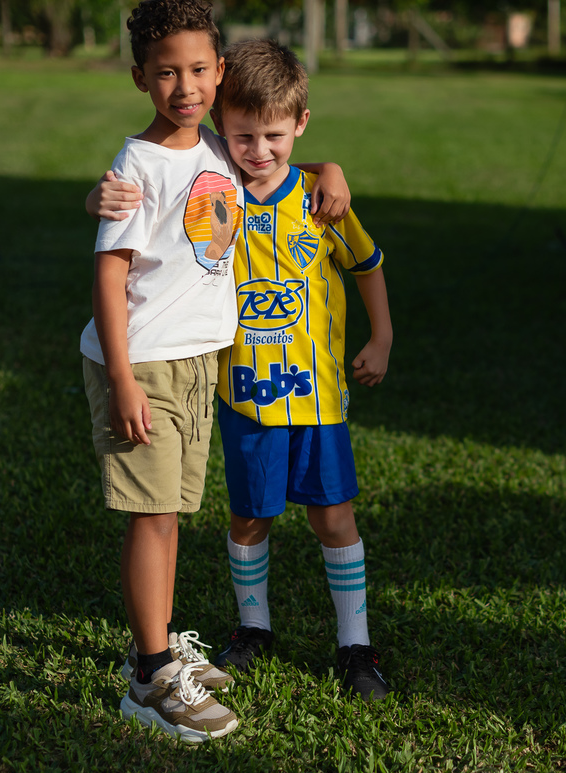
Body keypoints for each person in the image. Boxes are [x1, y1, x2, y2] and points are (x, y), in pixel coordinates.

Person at [93, 38, 394, 701]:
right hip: (242, 395)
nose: (259, 150)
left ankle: (356, 644)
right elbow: (155, 193)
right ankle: (253, 627)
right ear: (223, 134)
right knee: (249, 517)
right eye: (243, 136)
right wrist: (101, 196)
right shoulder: (215, 187)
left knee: (334, 516)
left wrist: (384, 335)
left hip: (318, 399)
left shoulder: (321, 198)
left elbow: (367, 262)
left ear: (301, 127)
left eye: (276, 137)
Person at [82, 0, 243, 743]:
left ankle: (162, 640)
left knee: (171, 514)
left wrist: (328, 169)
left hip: (194, 359)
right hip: (142, 361)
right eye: (167, 72)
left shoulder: (214, 145)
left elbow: (273, 155)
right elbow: (110, 275)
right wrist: (120, 378)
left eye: (200, 69)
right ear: (140, 77)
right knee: (151, 517)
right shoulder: (136, 164)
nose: (186, 84)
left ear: (220, 71)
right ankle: (150, 678)